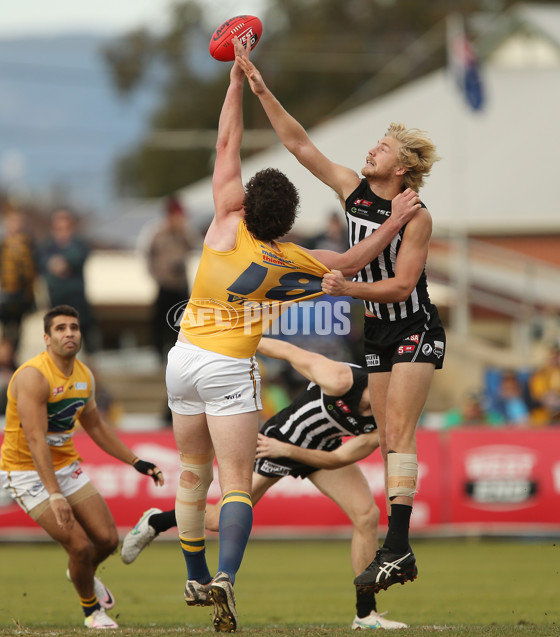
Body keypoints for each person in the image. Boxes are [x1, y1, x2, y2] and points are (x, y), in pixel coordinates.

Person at [161, 38, 421, 633]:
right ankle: (226, 575)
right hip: (229, 368)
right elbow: (353, 262)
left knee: (191, 474)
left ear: (248, 202)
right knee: (234, 486)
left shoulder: (226, 222)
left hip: (183, 360)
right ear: (288, 220)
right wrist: (397, 223)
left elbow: (227, 143)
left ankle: (194, 574)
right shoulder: (297, 260)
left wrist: (235, 82)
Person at [235, 50, 445, 594]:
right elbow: (299, 144)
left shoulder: (415, 217)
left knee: (398, 431)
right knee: (385, 432)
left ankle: (396, 548)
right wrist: (259, 86)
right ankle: (396, 551)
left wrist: (347, 288)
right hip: (376, 331)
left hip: (414, 326)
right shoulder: (352, 189)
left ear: (400, 168)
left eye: (383, 147)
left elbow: (401, 286)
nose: (371, 148)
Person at [122, 337, 407, 630]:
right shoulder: (340, 379)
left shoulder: (387, 421)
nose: (399, 399)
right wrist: (242, 339)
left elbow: (338, 458)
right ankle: (158, 520)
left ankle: (365, 614)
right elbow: (288, 351)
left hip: (315, 453)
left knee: (366, 515)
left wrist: (291, 453)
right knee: (218, 520)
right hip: (273, 442)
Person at [0, 304, 163, 629]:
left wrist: (136, 461)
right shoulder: (33, 376)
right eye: (60, 328)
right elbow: (35, 440)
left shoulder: (84, 375)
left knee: (107, 541)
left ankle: (80, 571)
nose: (69, 333)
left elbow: (97, 427)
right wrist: (55, 495)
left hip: (65, 467)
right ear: (47, 338)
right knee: (79, 545)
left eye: (74, 327)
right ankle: (92, 612)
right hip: (26, 471)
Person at [143, 195, 200, 365]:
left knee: (182, 322)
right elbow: (148, 255)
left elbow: (197, 245)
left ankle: (181, 355)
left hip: (181, 284)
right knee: (160, 322)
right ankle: (160, 357)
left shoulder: (185, 233)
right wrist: (156, 275)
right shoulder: (157, 233)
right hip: (165, 284)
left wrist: (182, 230)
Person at [38, 208, 98, 354]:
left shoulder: (79, 246)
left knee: (84, 338)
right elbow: (41, 263)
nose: (62, 232)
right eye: (59, 228)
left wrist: (63, 262)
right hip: (55, 302)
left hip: (77, 303)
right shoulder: (47, 247)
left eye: (66, 228)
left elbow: (78, 257)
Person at [0, 205, 37, 349]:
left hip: (24, 295)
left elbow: (36, 266)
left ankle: (15, 357)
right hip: (4, 294)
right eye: (11, 221)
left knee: (20, 329)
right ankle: (4, 358)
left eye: (18, 221)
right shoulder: (0, 244)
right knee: (3, 329)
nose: (15, 225)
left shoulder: (29, 243)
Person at [529, 344, 560, 425]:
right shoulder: (539, 375)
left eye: (557, 356)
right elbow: (538, 396)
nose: (555, 359)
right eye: (553, 356)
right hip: (542, 418)